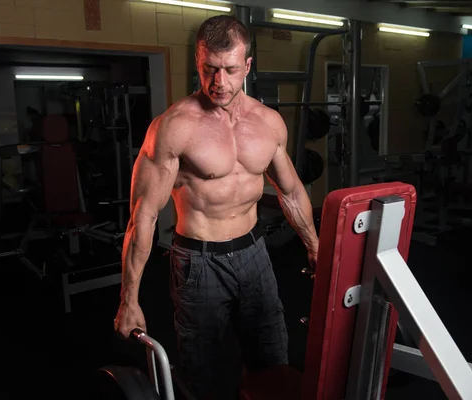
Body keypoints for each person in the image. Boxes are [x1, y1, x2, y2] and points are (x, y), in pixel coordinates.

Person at [114, 15, 319, 399]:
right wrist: (129, 299)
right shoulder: (175, 127)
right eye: (209, 69)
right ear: (198, 61)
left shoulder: (269, 123)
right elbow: (143, 215)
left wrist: (315, 246)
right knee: (204, 372)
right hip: (199, 261)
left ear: (247, 66)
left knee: (273, 358)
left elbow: (290, 191)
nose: (218, 83)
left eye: (229, 70)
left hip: (255, 254)